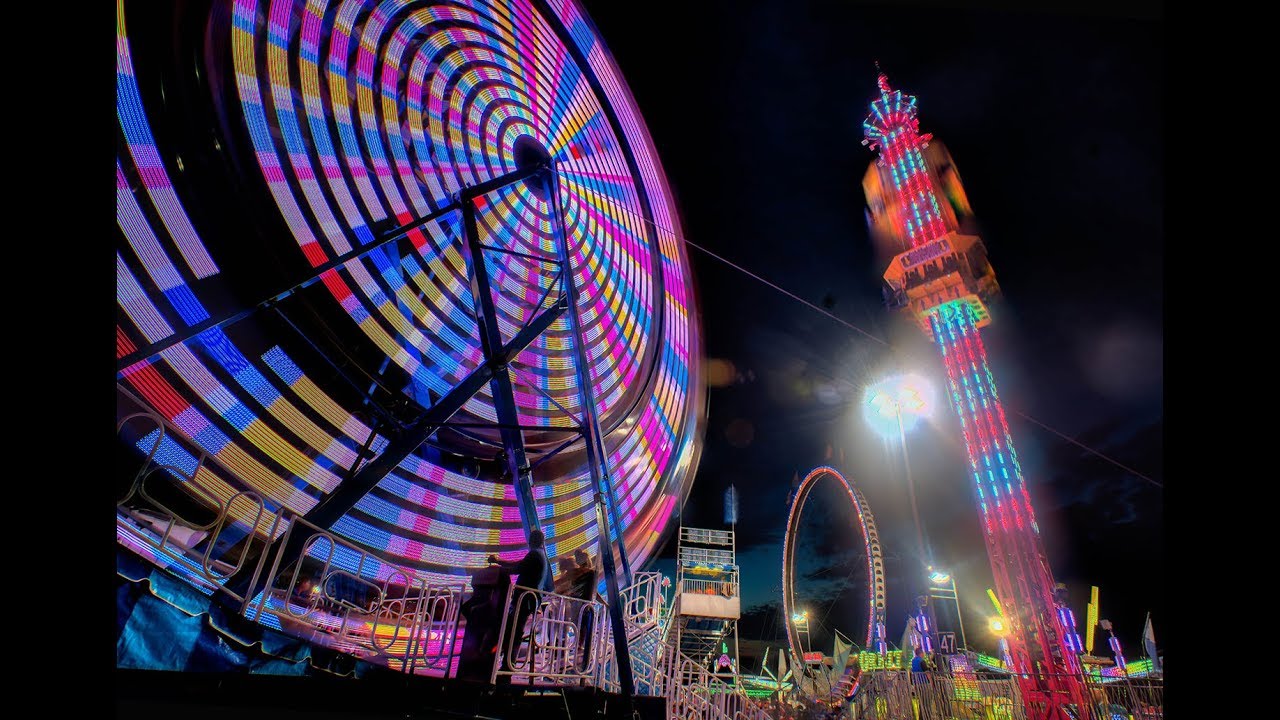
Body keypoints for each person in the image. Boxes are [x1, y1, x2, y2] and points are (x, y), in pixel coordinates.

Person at [488, 528, 552, 673]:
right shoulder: (540, 555)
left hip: (525, 600)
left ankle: (508, 664)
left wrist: (499, 565)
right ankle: (508, 662)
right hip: (528, 600)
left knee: (514, 632)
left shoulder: (535, 555)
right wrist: (500, 562)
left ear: (532, 541)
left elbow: (517, 568)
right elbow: (519, 565)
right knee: (514, 631)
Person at [569, 548, 598, 669]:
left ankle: (578, 647)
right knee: (584, 627)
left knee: (579, 626)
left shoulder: (578, 573)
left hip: (577, 603)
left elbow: (574, 589)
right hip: (584, 604)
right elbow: (593, 592)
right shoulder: (591, 573)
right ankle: (581, 650)